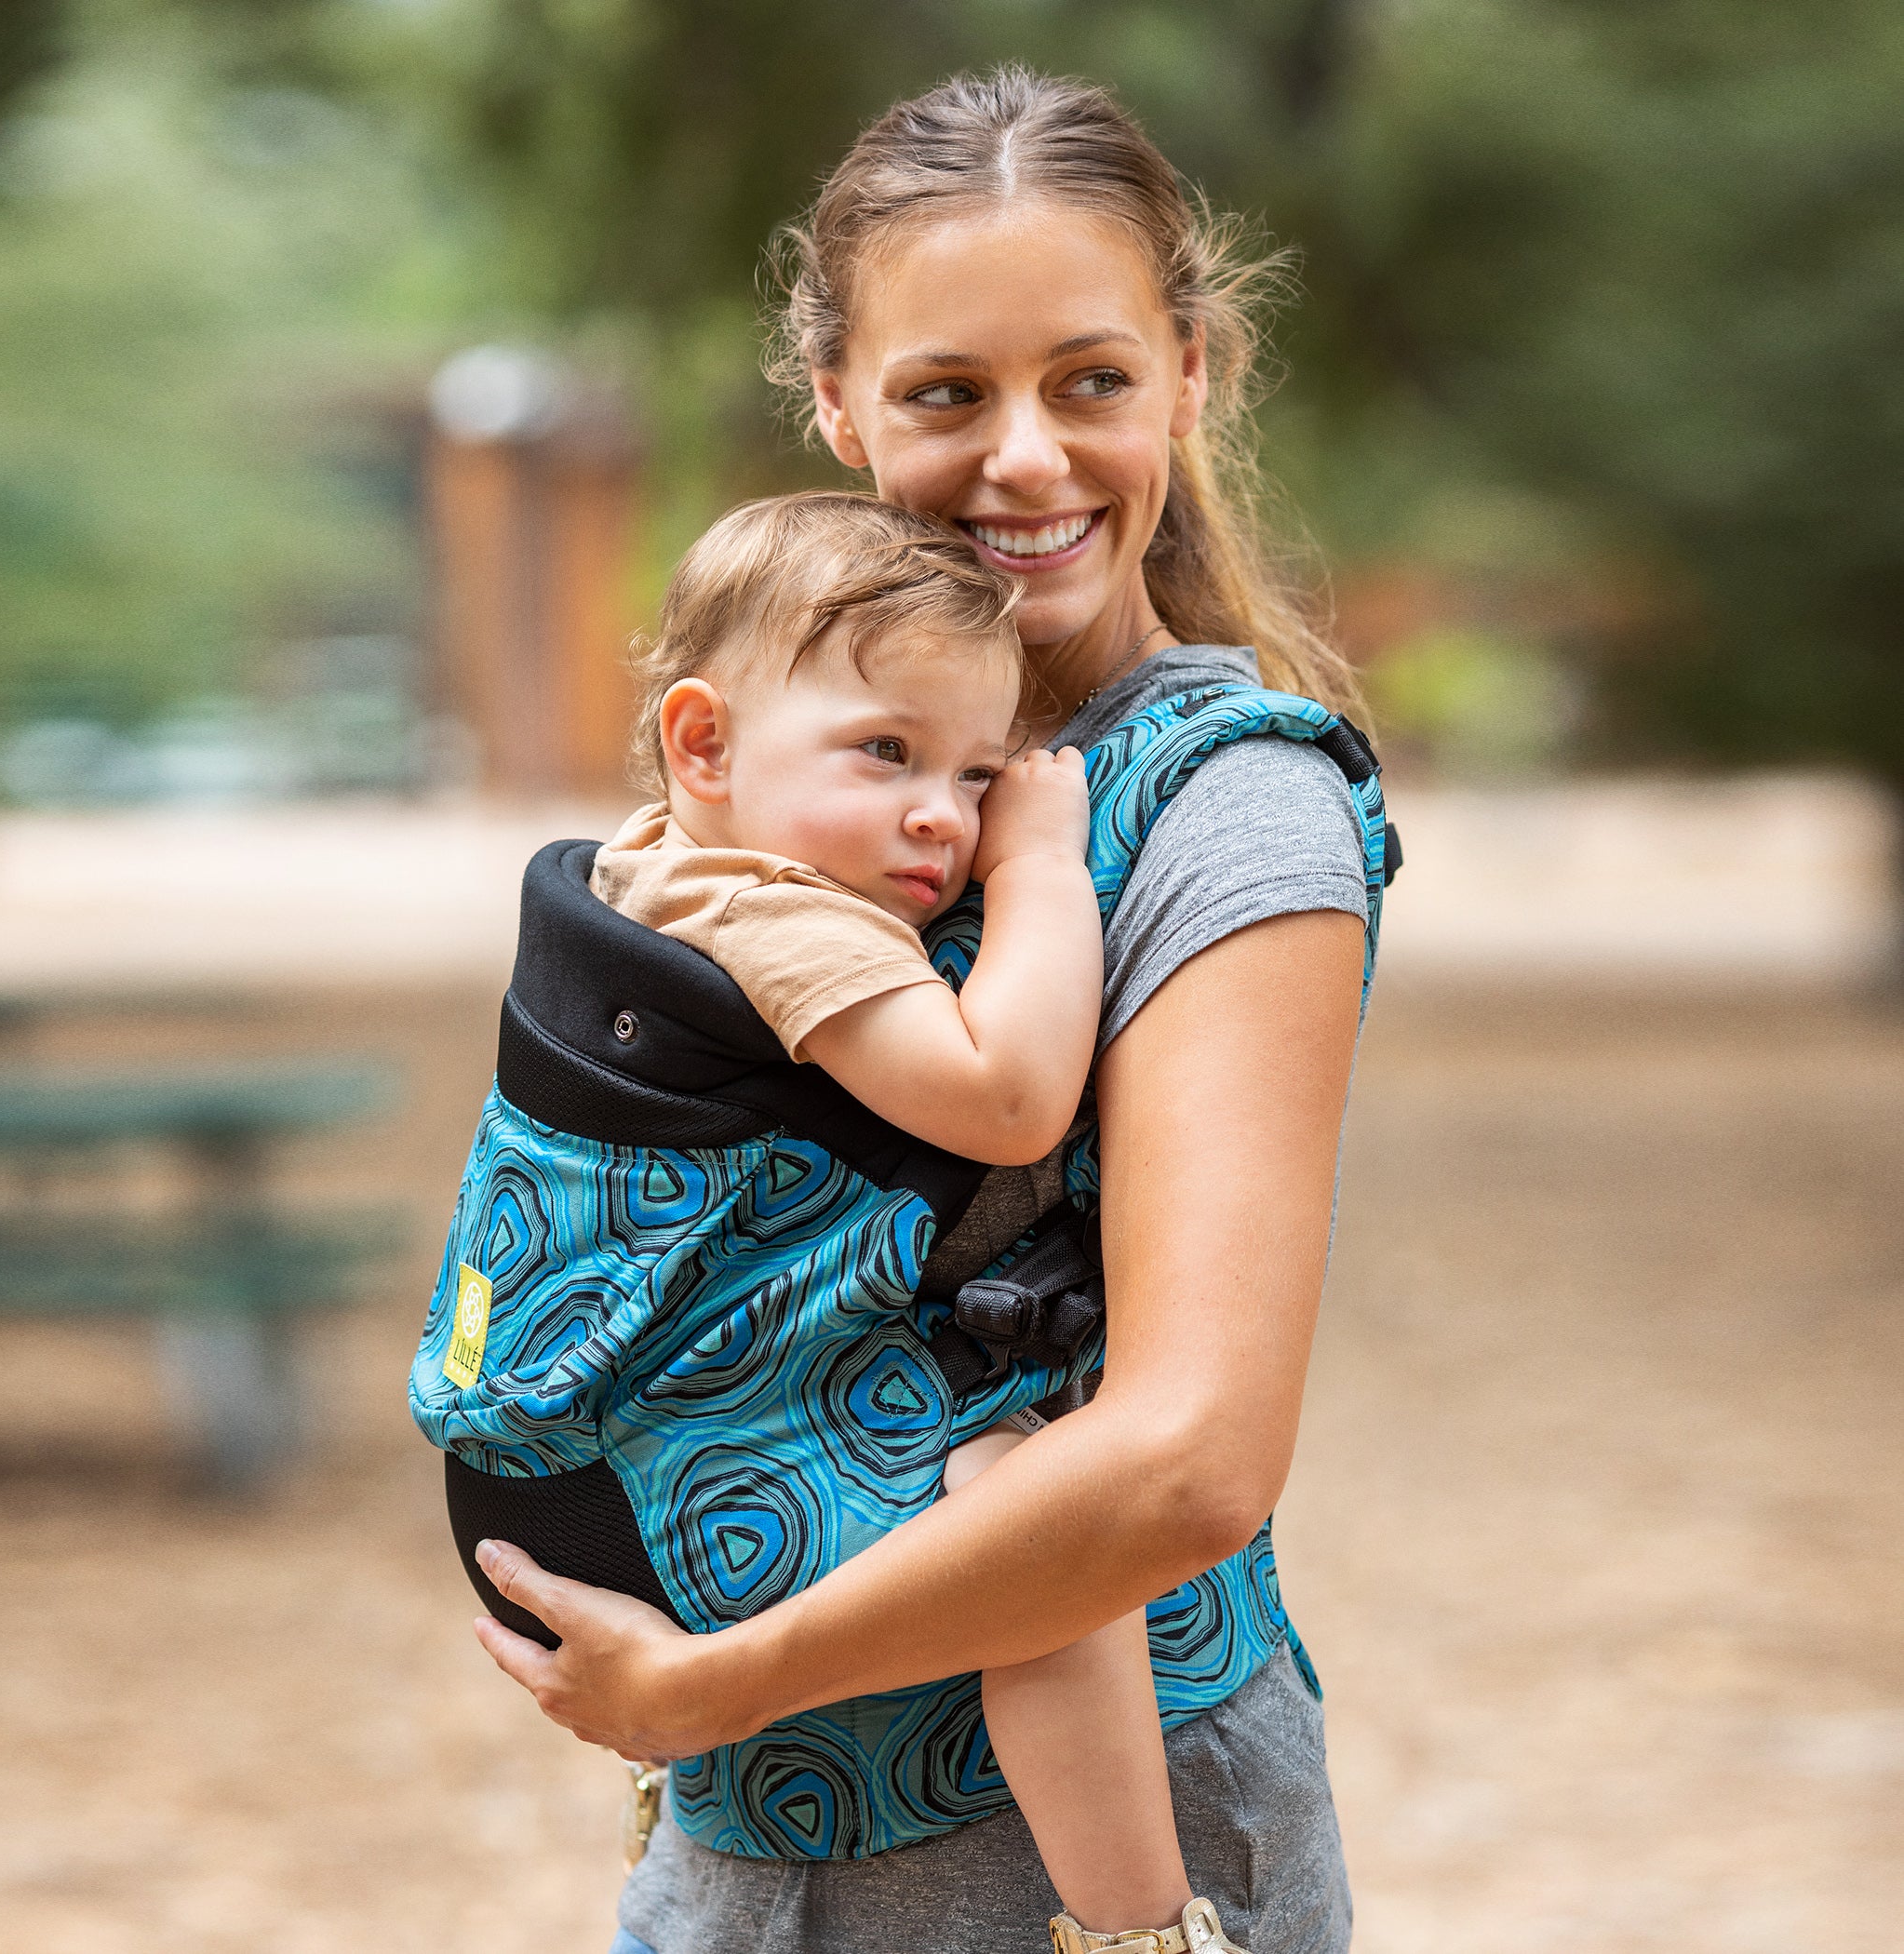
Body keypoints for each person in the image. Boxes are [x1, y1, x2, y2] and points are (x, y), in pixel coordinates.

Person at [467, 66, 1375, 1954]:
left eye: (1094, 379)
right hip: (755, 1823)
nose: (1026, 458)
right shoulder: (809, 765)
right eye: (948, 393)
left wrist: (719, 1680)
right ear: (836, 403)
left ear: (1192, 376)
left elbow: (1192, 1455)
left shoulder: (1229, 804)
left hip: (1049, 1869)